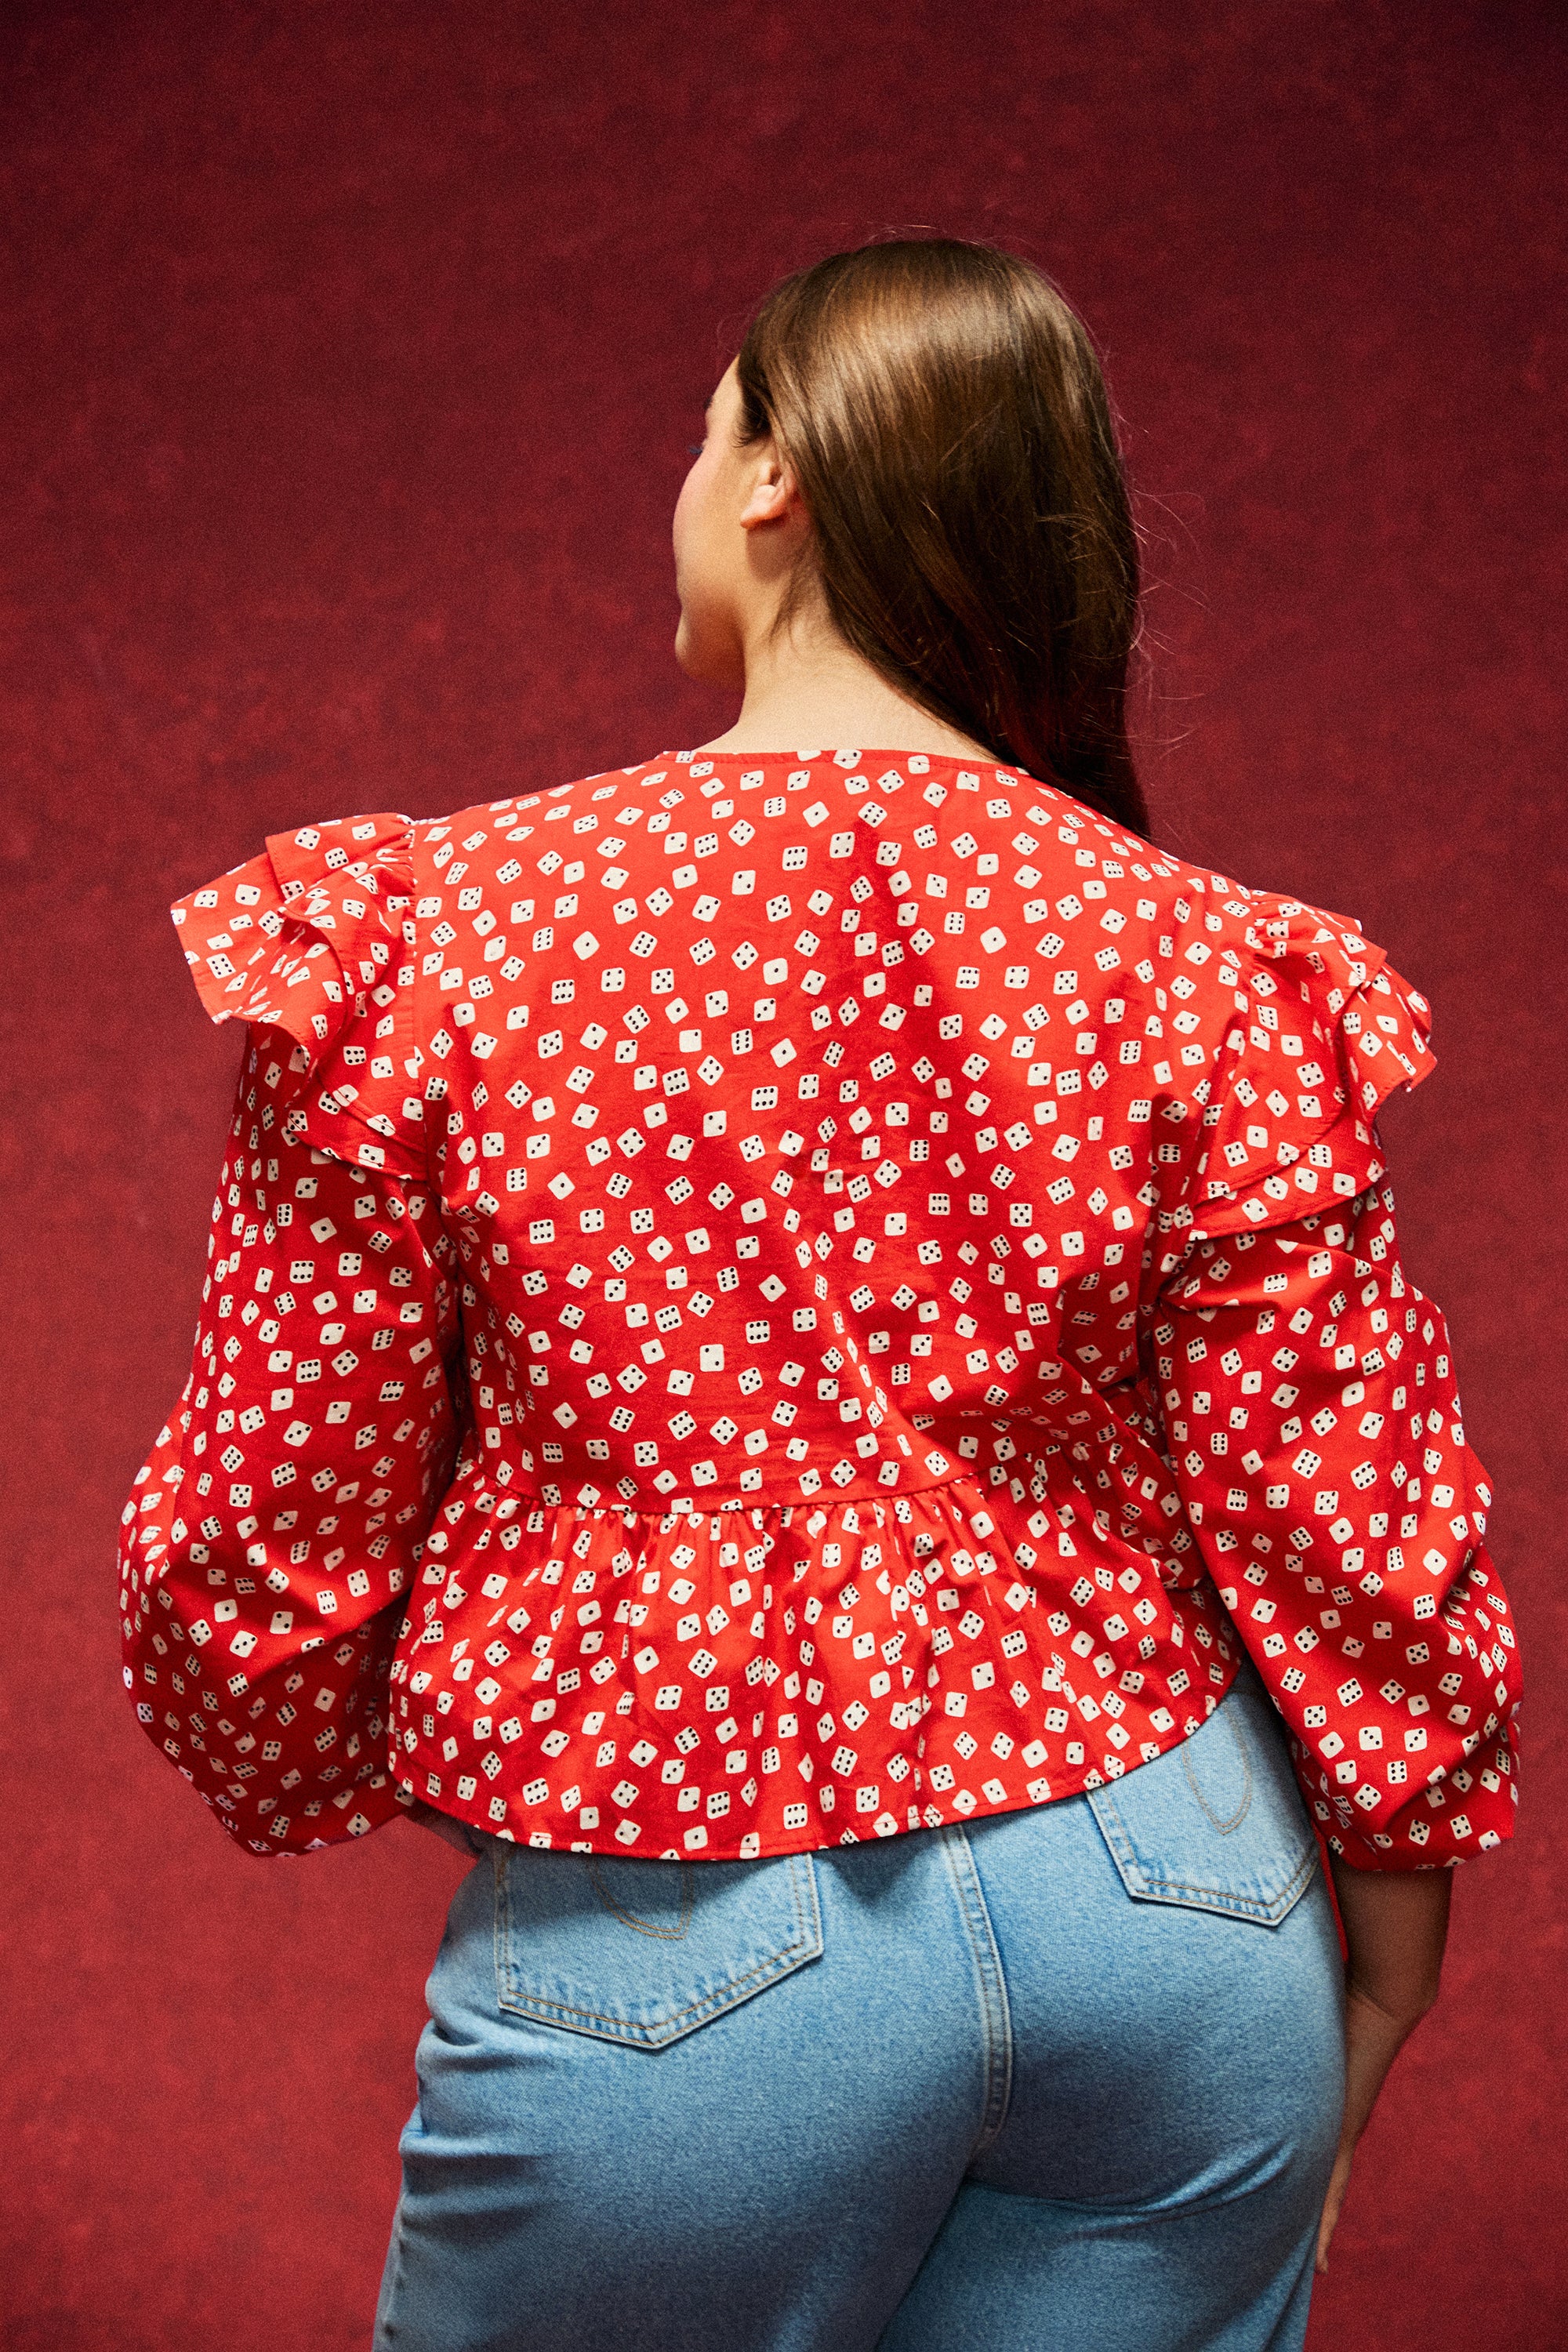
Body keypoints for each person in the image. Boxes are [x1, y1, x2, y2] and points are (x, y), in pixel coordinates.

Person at [119, 238, 1521, 2352]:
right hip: (1184, 1908)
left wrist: (309, 1750)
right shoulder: (1207, 958)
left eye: (705, 437)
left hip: (693, 1905)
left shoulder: (443, 932)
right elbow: (1353, 1499)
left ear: (776, 474)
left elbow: (272, 1500)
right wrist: (1390, 1942)